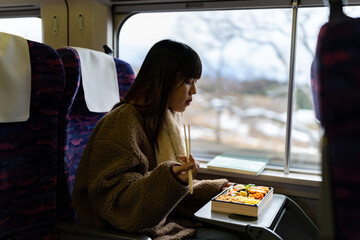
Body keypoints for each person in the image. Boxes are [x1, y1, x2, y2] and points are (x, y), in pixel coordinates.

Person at [73, 39, 239, 240]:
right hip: (129, 233)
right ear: (163, 80)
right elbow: (115, 204)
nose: (194, 91)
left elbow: (165, 191)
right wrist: (171, 178)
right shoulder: (122, 122)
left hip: (162, 224)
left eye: (195, 82)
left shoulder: (164, 121)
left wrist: (217, 189)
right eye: (187, 81)